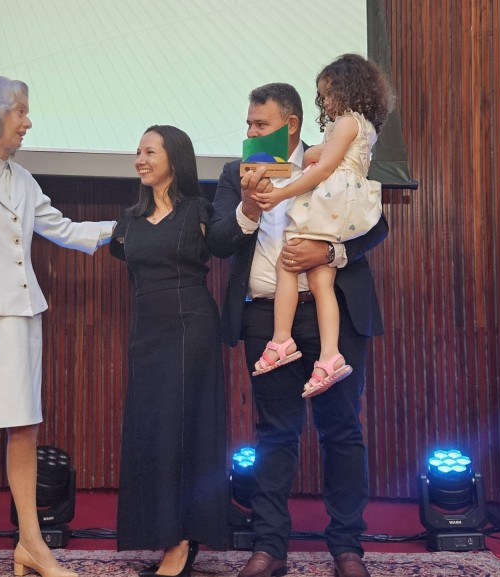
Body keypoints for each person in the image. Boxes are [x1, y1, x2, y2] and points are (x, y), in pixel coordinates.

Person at [0, 75, 114, 577]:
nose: (28, 122)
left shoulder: (22, 178)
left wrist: (129, 227)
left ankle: (31, 544)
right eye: (20, 112)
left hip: (24, 315)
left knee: (25, 428)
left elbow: (65, 230)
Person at [205, 78, 391, 577]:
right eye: (248, 124)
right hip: (266, 318)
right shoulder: (235, 174)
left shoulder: (333, 156)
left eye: (259, 124)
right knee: (274, 434)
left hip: (335, 314)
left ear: (290, 125)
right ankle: (269, 549)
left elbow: (376, 225)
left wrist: (329, 252)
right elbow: (219, 241)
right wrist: (248, 207)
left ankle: (347, 548)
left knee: (342, 430)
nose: (250, 132)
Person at [109, 125, 230, 577]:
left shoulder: (199, 210)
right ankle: (163, 533)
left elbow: (230, 241)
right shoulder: (129, 221)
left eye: (150, 152)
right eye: (138, 152)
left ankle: (183, 540)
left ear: (174, 160)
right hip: (147, 333)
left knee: (185, 430)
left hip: (191, 326)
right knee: (152, 432)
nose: (140, 160)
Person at [249, 54, 393, 399]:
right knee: (319, 279)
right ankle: (328, 356)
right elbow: (325, 157)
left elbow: (324, 167)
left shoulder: (346, 123)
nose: (324, 102)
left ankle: (282, 340)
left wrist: (282, 191)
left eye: (328, 94)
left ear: (347, 89)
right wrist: (314, 154)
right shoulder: (360, 127)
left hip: (333, 202)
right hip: (345, 203)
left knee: (288, 261)